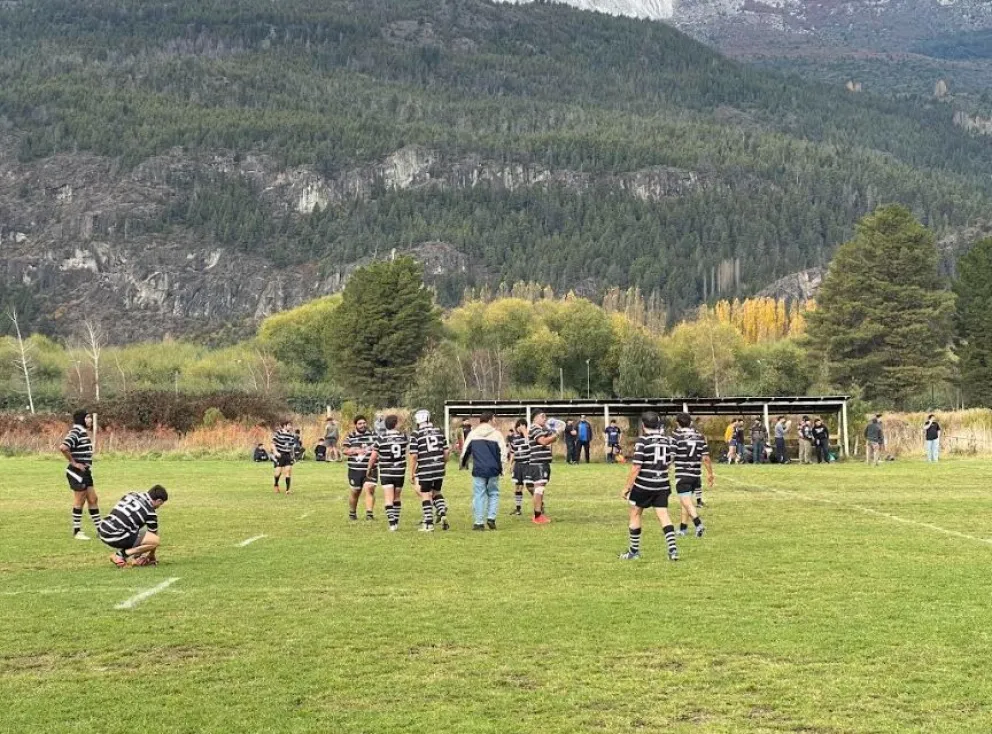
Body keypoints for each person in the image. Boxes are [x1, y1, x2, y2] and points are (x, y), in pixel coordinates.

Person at [618, 411, 679, 561]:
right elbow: (669, 461)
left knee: (635, 513)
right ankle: (673, 551)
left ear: (643, 425)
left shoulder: (643, 441)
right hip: (662, 484)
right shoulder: (667, 440)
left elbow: (636, 467)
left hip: (644, 485)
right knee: (663, 515)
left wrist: (627, 487)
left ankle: (634, 552)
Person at [99, 485, 168, 568]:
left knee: (135, 530)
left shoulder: (132, 494)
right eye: (160, 504)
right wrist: (151, 555)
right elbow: (152, 536)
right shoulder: (150, 512)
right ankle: (120, 555)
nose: (159, 506)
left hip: (103, 529)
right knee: (155, 541)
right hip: (116, 535)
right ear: (159, 500)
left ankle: (134, 557)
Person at [460, 411, 506, 531]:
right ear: (489, 420)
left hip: (479, 469)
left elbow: (465, 451)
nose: (495, 421)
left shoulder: (473, 434)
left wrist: (463, 464)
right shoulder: (497, 434)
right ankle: (491, 518)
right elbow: (503, 453)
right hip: (494, 469)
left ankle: (479, 522)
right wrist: (502, 468)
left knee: (479, 494)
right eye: (494, 419)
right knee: (493, 493)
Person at [60, 409, 101, 540]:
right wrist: (74, 463)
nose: (90, 420)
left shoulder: (83, 432)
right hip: (77, 472)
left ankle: (100, 530)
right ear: (81, 419)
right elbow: (63, 447)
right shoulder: (76, 432)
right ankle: (77, 531)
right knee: (80, 500)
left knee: (93, 499)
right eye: (87, 417)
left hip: (85, 471)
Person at [672, 412, 713, 536]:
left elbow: (671, 456)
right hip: (695, 475)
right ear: (690, 423)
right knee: (685, 501)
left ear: (677, 423)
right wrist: (710, 474)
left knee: (687, 502)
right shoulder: (699, 436)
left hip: (683, 474)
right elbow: (706, 458)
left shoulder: (676, 436)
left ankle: (698, 524)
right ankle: (683, 528)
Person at [409, 409, 450, 532]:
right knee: (436, 492)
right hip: (439, 467)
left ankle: (428, 524)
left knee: (426, 494)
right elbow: (446, 452)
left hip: (425, 468)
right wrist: (443, 464)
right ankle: (442, 513)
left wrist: (412, 472)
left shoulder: (416, 434)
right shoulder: (439, 431)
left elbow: (414, 455)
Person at [367, 414, 408, 532]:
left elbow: (373, 456)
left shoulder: (381, 438)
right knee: (397, 497)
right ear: (395, 424)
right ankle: (396, 521)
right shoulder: (403, 437)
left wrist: (369, 468)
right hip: (399, 471)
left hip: (386, 471)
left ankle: (392, 524)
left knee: (388, 498)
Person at [343, 415, 377, 521]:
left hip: (371, 468)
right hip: (355, 469)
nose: (363, 425)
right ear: (356, 425)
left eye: (364, 423)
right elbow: (345, 451)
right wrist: (356, 451)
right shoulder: (350, 436)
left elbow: (379, 448)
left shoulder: (373, 435)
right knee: (355, 491)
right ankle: (352, 513)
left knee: (370, 488)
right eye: (360, 424)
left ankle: (369, 514)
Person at [528, 409, 559, 524]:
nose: (545, 419)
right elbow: (543, 441)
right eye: (542, 416)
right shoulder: (535, 428)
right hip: (539, 463)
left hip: (542, 463)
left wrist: (553, 432)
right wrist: (556, 434)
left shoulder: (541, 429)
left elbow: (549, 438)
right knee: (539, 488)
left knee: (540, 488)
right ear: (535, 418)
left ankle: (539, 513)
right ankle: (537, 515)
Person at [509, 418, 532, 515]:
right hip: (518, 465)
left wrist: (525, 432)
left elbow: (530, 445)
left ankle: (539, 502)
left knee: (529, 486)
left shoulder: (529, 436)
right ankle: (518, 509)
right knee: (518, 487)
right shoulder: (515, 438)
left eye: (522, 426)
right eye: (518, 426)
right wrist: (511, 464)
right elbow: (513, 452)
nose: (520, 428)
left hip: (527, 464)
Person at [271, 419, 296, 494]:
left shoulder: (292, 435)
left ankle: (288, 490)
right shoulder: (278, 433)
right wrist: (276, 452)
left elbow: (292, 447)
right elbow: (272, 444)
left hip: (287, 455)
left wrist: (293, 457)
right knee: (277, 473)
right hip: (280, 455)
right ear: (284, 426)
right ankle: (276, 484)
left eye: (291, 425)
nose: (290, 427)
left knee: (288, 471)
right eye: (289, 425)